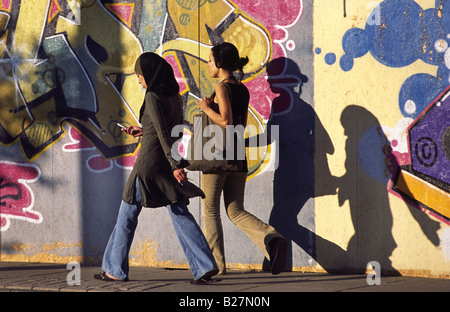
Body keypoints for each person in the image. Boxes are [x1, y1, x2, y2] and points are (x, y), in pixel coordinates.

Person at [94, 52, 218, 285]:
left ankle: (114, 270)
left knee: (126, 215)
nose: (139, 80)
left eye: (140, 76)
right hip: (165, 161)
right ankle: (204, 265)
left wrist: (174, 165)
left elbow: (161, 132)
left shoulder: (152, 96)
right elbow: (173, 130)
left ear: (150, 75)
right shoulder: (174, 96)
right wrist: (142, 131)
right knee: (179, 211)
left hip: (149, 165)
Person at [196, 42, 288, 275]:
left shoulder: (221, 88)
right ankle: (272, 239)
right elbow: (240, 125)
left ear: (219, 63)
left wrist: (206, 108)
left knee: (210, 211)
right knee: (235, 209)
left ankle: (215, 267)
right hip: (237, 157)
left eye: (209, 60)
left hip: (216, 156)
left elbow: (226, 122)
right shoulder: (243, 90)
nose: (208, 64)